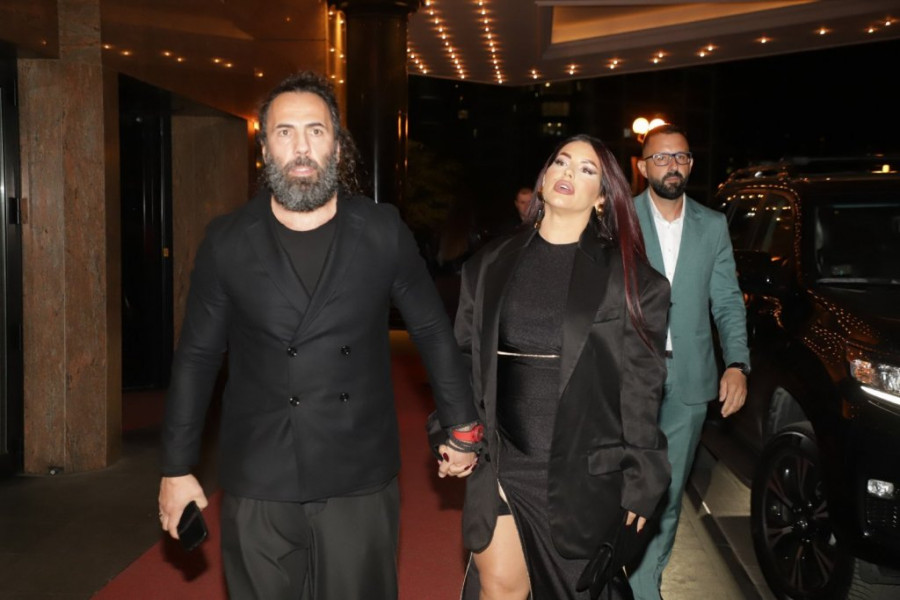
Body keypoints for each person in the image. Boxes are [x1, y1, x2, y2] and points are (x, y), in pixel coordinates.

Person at [156, 71, 479, 600]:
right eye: (285, 132)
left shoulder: (381, 230)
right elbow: (197, 355)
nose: (301, 147)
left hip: (359, 469)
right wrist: (175, 468)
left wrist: (461, 423)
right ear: (265, 148)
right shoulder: (228, 240)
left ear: (337, 145)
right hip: (259, 471)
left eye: (316, 131)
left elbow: (430, 329)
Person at [454, 134, 672, 599]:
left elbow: (642, 388)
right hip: (503, 461)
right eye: (561, 162)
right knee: (499, 587)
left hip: (579, 472)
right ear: (544, 178)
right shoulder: (490, 263)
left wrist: (643, 478)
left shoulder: (631, 280)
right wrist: (454, 430)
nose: (569, 172)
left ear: (603, 198)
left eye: (587, 170)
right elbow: (466, 358)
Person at [629, 123, 749, 600]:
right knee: (626, 485)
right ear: (643, 168)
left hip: (691, 377)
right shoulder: (620, 220)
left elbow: (727, 300)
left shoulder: (712, 225)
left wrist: (737, 363)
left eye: (680, 156)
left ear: (691, 164)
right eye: (661, 158)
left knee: (669, 491)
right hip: (629, 375)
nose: (672, 165)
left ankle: (645, 586)